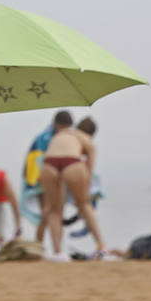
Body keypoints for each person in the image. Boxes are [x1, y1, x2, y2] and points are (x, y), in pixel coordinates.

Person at [39, 110, 106, 259]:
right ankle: (101, 246)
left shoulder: (58, 135)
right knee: (84, 204)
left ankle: (58, 253)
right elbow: (89, 170)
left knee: (55, 210)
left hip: (49, 163)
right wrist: (85, 194)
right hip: (72, 162)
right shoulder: (85, 139)